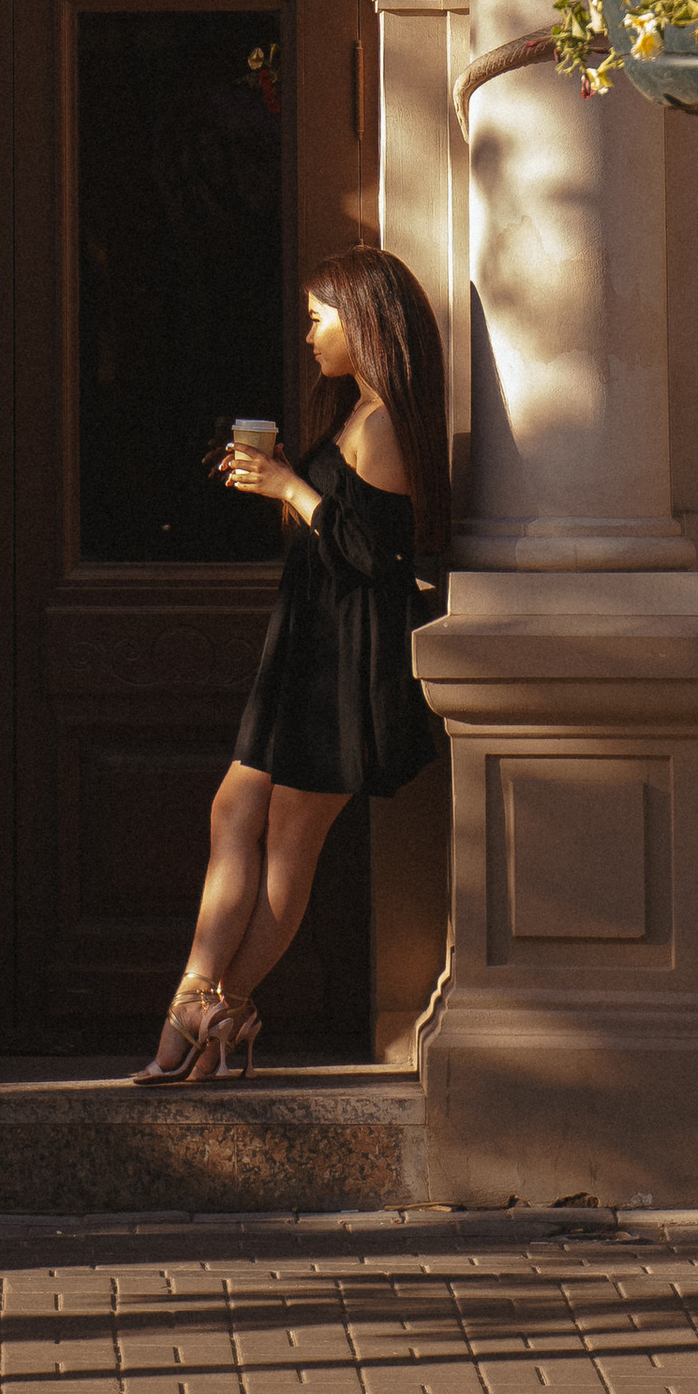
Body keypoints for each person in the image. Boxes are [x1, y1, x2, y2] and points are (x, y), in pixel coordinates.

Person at [133, 248, 449, 1087]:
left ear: (364, 321)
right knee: (234, 809)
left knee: (290, 842)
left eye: (319, 318)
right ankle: (199, 1002)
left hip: (344, 661)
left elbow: (374, 555)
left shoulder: (384, 424)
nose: (309, 335)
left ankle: (216, 1010)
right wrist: (276, 487)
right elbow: (337, 534)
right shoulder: (359, 416)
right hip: (308, 645)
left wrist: (289, 488)